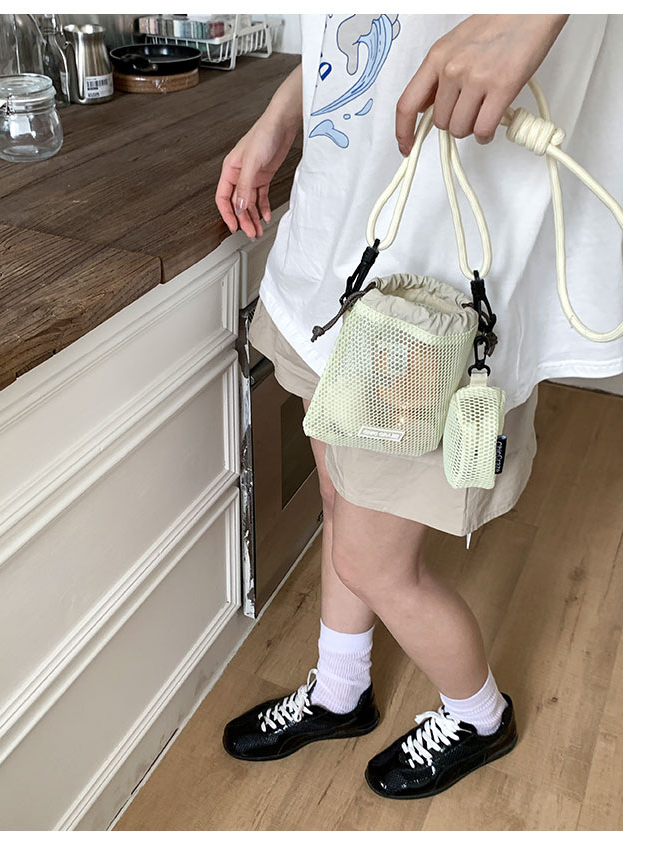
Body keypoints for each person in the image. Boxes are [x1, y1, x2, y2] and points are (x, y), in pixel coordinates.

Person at [215, 14, 622, 800]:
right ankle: (341, 689)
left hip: (427, 292)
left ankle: (478, 713)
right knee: (341, 498)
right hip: (334, 247)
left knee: (374, 559)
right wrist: (281, 114)